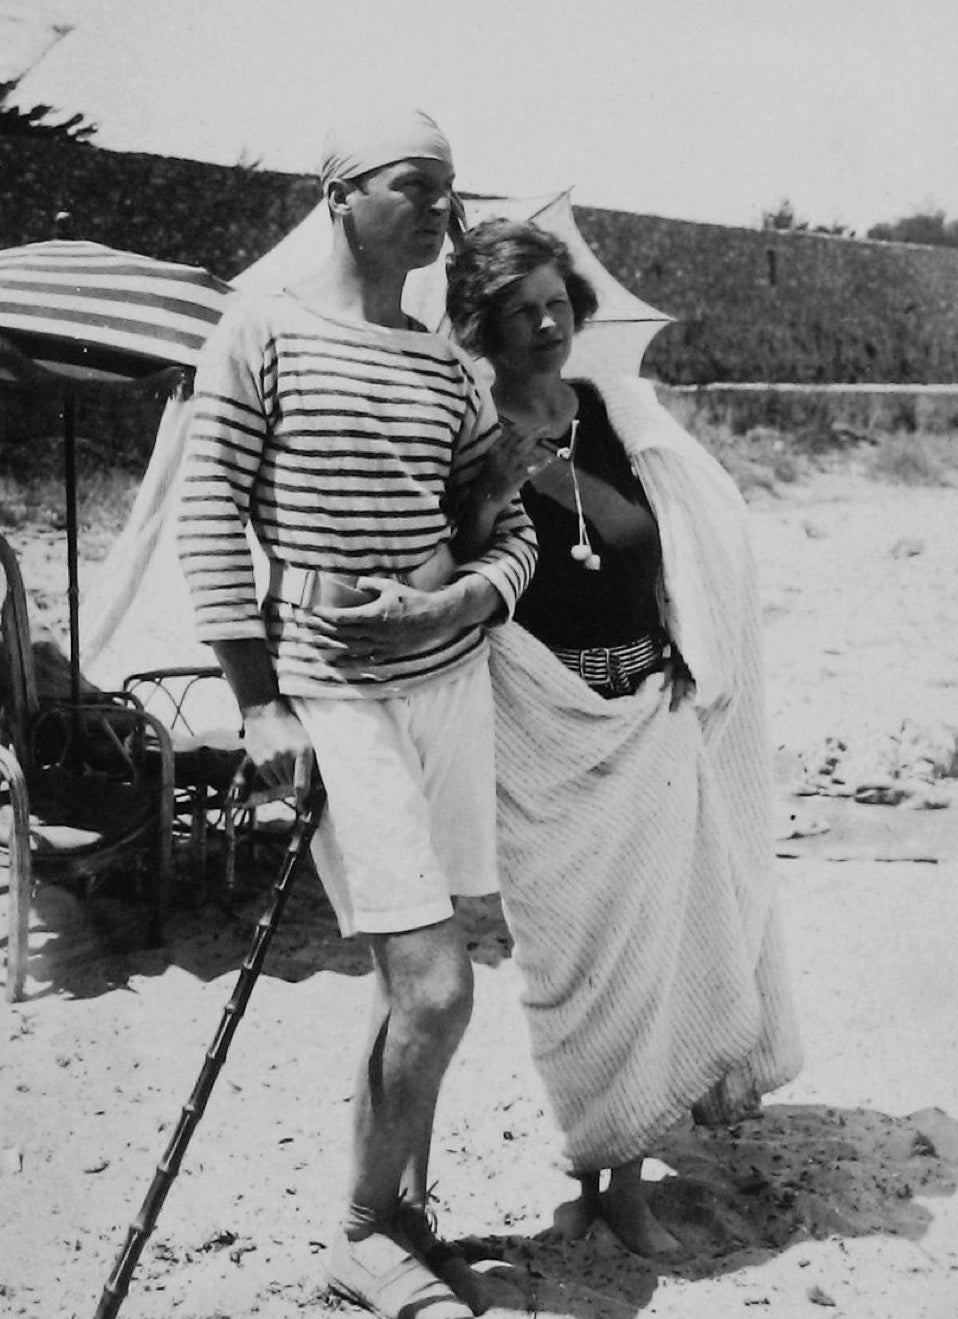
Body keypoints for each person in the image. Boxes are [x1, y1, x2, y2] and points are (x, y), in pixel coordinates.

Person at [176, 111, 530, 1319]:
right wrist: (256, 698)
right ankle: (360, 1236)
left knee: (407, 981)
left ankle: (391, 1222)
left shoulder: (442, 366)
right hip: (332, 695)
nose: (440, 209)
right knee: (437, 987)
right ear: (340, 195)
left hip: (447, 689)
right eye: (413, 186)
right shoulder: (263, 328)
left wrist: (467, 590)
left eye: (450, 189)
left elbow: (509, 527)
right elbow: (207, 513)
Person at [439, 217, 802, 1257]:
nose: (547, 322)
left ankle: (625, 1186)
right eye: (521, 310)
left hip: (648, 711)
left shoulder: (611, 410)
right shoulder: (467, 429)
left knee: (650, 959)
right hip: (544, 739)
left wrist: (694, 643)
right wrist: (489, 487)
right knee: (579, 966)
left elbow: (696, 524)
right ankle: (591, 1155)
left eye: (557, 302)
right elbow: (461, 568)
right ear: (485, 325)